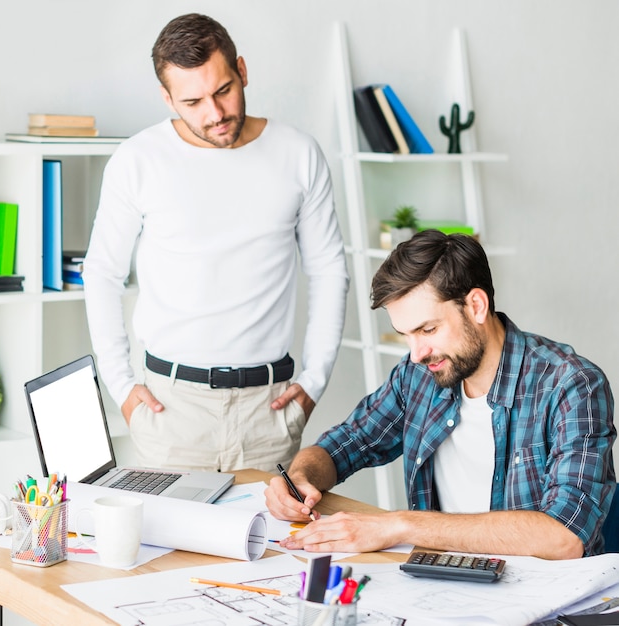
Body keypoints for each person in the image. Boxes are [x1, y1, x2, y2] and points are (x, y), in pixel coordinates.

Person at [82, 13, 349, 473]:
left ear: (242, 71)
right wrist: (122, 389)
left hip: (270, 411)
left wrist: (314, 382)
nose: (215, 113)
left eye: (223, 90)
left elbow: (329, 270)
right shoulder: (138, 160)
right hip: (171, 412)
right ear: (167, 98)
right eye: (193, 101)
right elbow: (101, 272)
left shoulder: (298, 154)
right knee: (167, 547)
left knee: (275, 546)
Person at [265, 230, 616, 559]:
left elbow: (565, 536)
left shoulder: (572, 385)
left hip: (547, 607)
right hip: (440, 586)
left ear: (476, 305)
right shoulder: (417, 375)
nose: (417, 352)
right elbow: (346, 444)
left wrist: (400, 525)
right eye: (406, 335)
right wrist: (300, 477)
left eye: (428, 329)